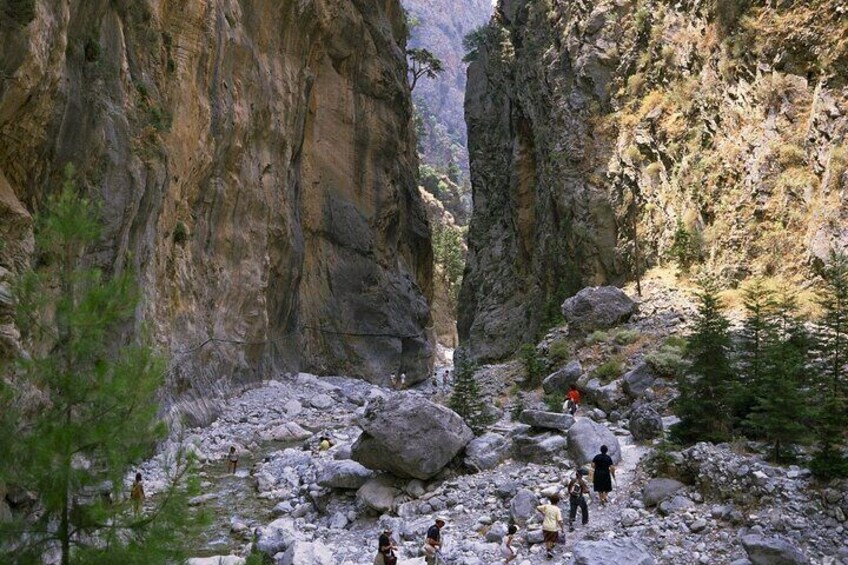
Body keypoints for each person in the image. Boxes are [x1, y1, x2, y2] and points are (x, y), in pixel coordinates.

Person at [536, 494, 564, 560]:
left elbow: (537, 507)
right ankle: (550, 549)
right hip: (553, 527)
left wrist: (543, 513)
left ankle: (549, 552)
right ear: (557, 502)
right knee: (554, 540)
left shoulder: (546, 506)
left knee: (547, 540)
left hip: (545, 527)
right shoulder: (557, 509)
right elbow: (560, 520)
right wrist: (562, 528)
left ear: (550, 500)